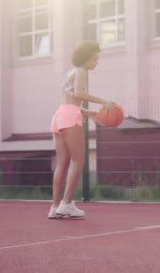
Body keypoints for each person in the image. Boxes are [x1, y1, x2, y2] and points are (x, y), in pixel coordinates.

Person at [48, 41, 115, 219]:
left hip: (59, 116)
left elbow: (70, 100)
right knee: (79, 161)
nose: (96, 62)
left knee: (62, 163)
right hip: (70, 118)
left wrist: (88, 112)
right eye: (94, 59)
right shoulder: (82, 72)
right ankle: (67, 203)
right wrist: (103, 102)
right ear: (85, 59)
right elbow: (78, 94)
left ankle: (55, 207)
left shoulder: (71, 72)